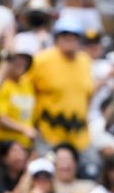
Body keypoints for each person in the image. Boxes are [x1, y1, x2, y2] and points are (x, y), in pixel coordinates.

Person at [27, 16, 94, 154]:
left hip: (79, 136)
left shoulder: (85, 61)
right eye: (65, 35)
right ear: (56, 37)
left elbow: (88, 94)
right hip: (48, 134)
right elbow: (26, 90)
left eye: (74, 35)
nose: (69, 39)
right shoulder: (42, 59)